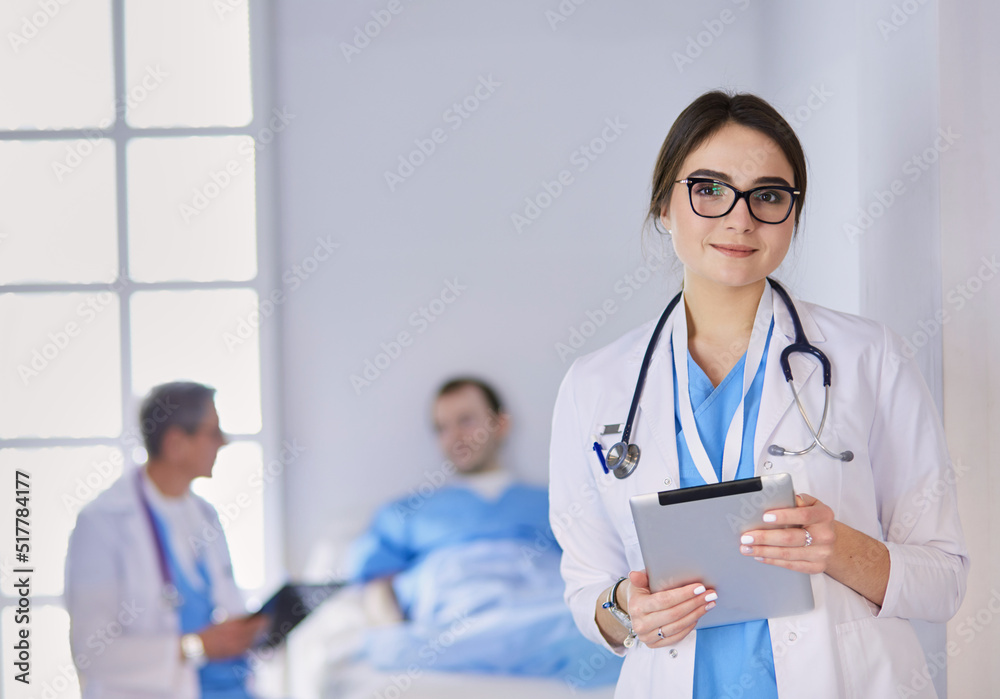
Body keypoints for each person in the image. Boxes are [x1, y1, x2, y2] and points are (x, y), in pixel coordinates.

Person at [548, 91, 969, 698]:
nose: (740, 219)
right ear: (665, 205)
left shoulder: (868, 357)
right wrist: (624, 608)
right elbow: (589, 590)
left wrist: (837, 547)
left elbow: (945, 581)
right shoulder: (595, 384)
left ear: (792, 216)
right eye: (710, 189)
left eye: (769, 196)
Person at [347, 378, 622, 685]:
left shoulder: (555, 502)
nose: (454, 437)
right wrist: (391, 632)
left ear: (501, 424)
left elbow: (595, 567)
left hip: (546, 617)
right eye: (441, 428)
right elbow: (376, 585)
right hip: (453, 623)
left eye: (465, 420)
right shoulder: (408, 512)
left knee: (611, 636)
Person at [66, 382, 269, 699]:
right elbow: (92, 652)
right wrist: (194, 647)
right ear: (176, 443)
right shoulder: (103, 523)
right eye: (213, 432)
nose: (223, 442)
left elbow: (224, 606)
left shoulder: (204, 514)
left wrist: (252, 629)